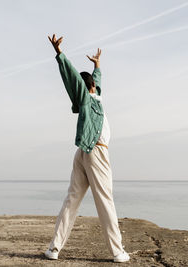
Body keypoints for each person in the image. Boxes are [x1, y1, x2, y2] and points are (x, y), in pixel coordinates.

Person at [44, 34, 130, 263]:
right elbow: (73, 77)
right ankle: (117, 251)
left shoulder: (96, 96)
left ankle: (54, 248)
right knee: (105, 200)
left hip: (83, 152)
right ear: (88, 85)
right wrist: (60, 54)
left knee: (72, 199)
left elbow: (97, 83)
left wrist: (97, 66)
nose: (95, 83)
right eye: (92, 80)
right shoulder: (86, 99)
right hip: (96, 152)